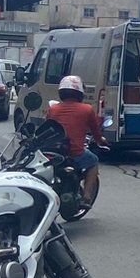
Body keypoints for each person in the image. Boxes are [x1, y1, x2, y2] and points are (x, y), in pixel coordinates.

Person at [46, 75, 104, 209]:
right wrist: (101, 140)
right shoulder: (87, 109)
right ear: (80, 93)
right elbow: (96, 131)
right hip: (74, 153)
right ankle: (87, 196)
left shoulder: (53, 109)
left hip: (53, 153)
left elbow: (49, 127)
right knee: (94, 161)